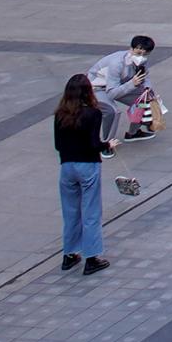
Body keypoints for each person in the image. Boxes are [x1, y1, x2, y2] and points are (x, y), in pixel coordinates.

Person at [54, 74, 108, 276]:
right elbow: (94, 144)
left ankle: (69, 255)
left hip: (67, 167)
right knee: (91, 212)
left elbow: (58, 145)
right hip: (88, 165)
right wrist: (108, 145)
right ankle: (92, 257)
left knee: (70, 212)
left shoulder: (60, 113)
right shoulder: (93, 113)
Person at [85, 35, 155, 153]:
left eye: (145, 54)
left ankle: (133, 132)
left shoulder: (142, 61)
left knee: (143, 101)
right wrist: (132, 84)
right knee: (112, 111)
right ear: (131, 49)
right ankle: (106, 144)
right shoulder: (116, 63)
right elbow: (112, 93)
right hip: (97, 88)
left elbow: (145, 77)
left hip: (120, 85)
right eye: (138, 53)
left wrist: (148, 90)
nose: (141, 57)